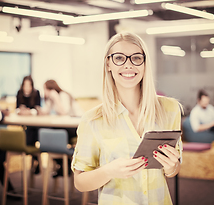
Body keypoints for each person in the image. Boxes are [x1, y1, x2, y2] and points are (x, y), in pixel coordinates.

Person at [72, 32, 182, 205]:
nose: (128, 65)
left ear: (145, 64)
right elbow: (79, 182)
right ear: (108, 63)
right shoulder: (92, 120)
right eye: (119, 58)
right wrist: (108, 171)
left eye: (136, 58)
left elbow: (173, 170)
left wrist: (171, 166)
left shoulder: (170, 109)